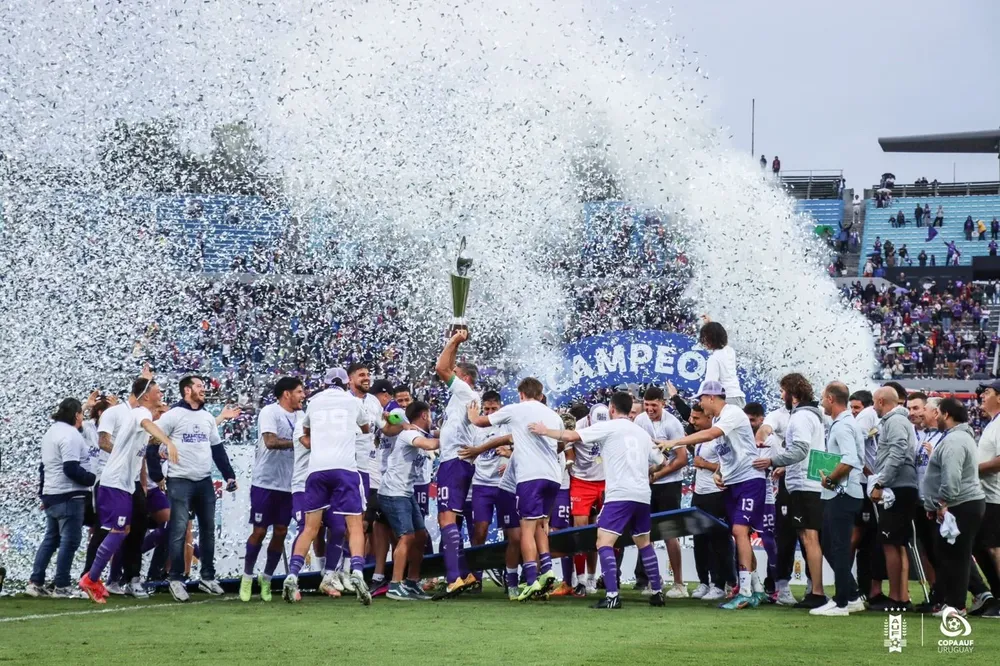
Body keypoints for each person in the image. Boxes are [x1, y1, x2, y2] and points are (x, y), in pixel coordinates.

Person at [530, 391, 667, 609]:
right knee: (644, 542)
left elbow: (572, 437)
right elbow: (663, 461)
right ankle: (658, 593)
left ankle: (612, 596)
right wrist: (649, 471)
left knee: (603, 542)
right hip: (642, 495)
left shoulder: (610, 426)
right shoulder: (641, 433)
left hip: (620, 495)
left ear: (612, 409)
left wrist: (545, 431)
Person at [656, 380, 767, 610]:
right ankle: (756, 588)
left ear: (711, 398)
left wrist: (675, 441)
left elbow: (711, 435)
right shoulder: (719, 418)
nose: (699, 404)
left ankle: (744, 591)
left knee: (738, 531)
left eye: (701, 399)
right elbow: (728, 453)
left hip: (749, 480)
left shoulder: (732, 413)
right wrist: (718, 471)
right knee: (739, 534)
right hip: (733, 483)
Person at [467, 377, 563, 601]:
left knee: (525, 531)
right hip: (553, 477)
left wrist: (473, 416)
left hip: (530, 477)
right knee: (540, 526)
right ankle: (546, 569)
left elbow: (482, 422)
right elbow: (561, 445)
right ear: (540, 395)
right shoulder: (554, 416)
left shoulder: (517, 410)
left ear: (521, 394)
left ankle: (530, 581)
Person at [80, 378, 175, 603]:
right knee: (115, 530)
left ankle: (98, 579)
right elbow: (147, 425)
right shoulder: (139, 412)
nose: (161, 395)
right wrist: (167, 442)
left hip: (126, 484)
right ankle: (91, 579)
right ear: (145, 396)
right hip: (114, 482)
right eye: (157, 392)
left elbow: (146, 437)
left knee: (123, 530)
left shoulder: (142, 413)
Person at [283, 367, 372, 605]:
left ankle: (292, 574)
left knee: (310, 529)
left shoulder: (314, 402)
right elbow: (366, 428)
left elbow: (307, 432)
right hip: (345, 469)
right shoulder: (352, 401)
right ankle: (357, 572)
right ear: (345, 384)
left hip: (316, 471)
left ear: (324, 384)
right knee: (354, 526)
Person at [158, 375, 236, 602]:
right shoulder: (173, 414)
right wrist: (159, 464)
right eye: (199, 386)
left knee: (209, 530)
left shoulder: (206, 417)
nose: (204, 389)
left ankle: (207, 577)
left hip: (204, 481)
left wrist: (229, 475)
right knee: (179, 530)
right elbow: (154, 437)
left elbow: (217, 449)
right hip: (179, 480)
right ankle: (175, 579)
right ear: (187, 390)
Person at [752, 373, 827, 609]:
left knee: (809, 538)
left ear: (793, 394)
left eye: (783, 391)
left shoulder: (801, 417)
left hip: (804, 484)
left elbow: (801, 450)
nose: (781, 395)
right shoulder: (814, 415)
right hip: (810, 482)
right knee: (808, 537)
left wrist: (773, 460)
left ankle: (817, 591)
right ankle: (815, 589)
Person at [239, 377, 305, 602]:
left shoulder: (302, 416)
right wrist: (301, 442)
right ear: (286, 394)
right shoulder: (270, 412)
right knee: (259, 531)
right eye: (299, 392)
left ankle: (266, 578)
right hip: (265, 483)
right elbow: (270, 441)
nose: (303, 395)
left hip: (289, 485)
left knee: (281, 532)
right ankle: (247, 577)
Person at [922, 398, 986, 618]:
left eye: (938, 412)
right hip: (961, 504)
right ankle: (951, 602)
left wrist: (942, 503)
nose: (935, 417)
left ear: (947, 415)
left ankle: (957, 606)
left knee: (957, 557)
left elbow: (951, 477)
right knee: (950, 555)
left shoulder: (955, 441)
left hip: (960, 505)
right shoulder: (957, 437)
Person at [27, 399, 96, 598]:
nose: (83, 418)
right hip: (69, 493)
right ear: (76, 415)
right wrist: (91, 478)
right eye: (81, 414)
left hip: (52, 492)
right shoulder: (70, 434)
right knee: (70, 541)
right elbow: (70, 468)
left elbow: (44, 467)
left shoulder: (52, 432)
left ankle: (35, 581)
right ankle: (62, 585)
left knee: (51, 539)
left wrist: (43, 493)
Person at [810, 382, 866, 616]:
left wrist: (830, 480)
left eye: (823, 397)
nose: (821, 401)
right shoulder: (844, 423)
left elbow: (850, 459)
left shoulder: (843, 426)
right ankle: (851, 595)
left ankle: (842, 602)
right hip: (843, 493)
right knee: (831, 546)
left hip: (841, 494)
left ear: (831, 399)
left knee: (839, 547)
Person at [433, 330, 480, 595]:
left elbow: (442, 367)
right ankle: (465, 573)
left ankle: (453, 579)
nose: (451, 371)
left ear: (464, 377)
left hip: (454, 463)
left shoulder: (464, 391)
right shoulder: (464, 396)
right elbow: (447, 365)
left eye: (456, 370)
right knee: (450, 518)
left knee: (446, 518)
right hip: (459, 463)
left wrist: (455, 341)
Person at [379, 400, 438, 601]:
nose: (431, 419)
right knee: (407, 537)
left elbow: (432, 437)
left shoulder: (416, 432)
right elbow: (430, 444)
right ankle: (395, 585)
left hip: (405, 492)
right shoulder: (409, 434)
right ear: (424, 415)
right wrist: (452, 435)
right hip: (393, 492)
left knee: (420, 536)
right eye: (429, 415)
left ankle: (412, 582)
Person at [633, 386, 688, 598]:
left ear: (663, 403)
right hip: (647, 483)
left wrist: (657, 475)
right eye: (646, 405)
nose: (649, 409)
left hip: (669, 484)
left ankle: (679, 583)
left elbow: (682, 459)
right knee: (647, 533)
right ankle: (653, 581)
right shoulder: (639, 422)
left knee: (670, 534)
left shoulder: (673, 424)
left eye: (654, 405)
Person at [871, 386, 919, 611]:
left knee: (891, 543)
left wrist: (881, 481)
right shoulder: (899, 421)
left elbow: (899, 450)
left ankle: (896, 598)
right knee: (898, 544)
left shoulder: (895, 421)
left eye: (874, 402)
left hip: (897, 486)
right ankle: (900, 597)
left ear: (881, 401)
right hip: (902, 485)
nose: (873, 407)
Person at [362, 377, 406, 597]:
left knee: (394, 530)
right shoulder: (379, 409)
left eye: (375, 395)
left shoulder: (392, 410)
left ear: (385, 395)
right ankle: (380, 575)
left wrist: (391, 417)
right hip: (383, 478)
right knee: (380, 527)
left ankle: (398, 575)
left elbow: (398, 424)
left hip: (397, 481)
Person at [688, 403, 732, 601]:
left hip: (716, 494)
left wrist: (705, 464)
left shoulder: (718, 438)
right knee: (699, 540)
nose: (692, 422)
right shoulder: (699, 440)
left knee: (718, 541)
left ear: (708, 419)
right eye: (691, 418)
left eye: (696, 418)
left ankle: (719, 584)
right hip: (699, 494)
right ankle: (703, 582)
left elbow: (729, 466)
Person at [567, 403, 608, 596]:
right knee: (580, 531)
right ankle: (581, 580)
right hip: (581, 481)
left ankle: (594, 578)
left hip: (605, 480)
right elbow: (567, 445)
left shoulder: (612, 424)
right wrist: (570, 460)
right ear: (589, 418)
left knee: (605, 530)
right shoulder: (579, 427)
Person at [469, 390, 507, 589]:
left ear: (500, 407)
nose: (490, 412)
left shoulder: (507, 425)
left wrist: (509, 454)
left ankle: (511, 574)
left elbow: (522, 446)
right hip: (482, 485)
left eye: (494, 409)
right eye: (487, 409)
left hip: (504, 485)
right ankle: (476, 576)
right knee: (480, 530)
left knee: (510, 532)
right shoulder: (476, 429)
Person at [974, 382, 1000, 616]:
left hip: (996, 496)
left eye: (988, 392)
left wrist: (972, 469)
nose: (982, 396)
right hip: (987, 495)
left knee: (994, 548)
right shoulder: (992, 423)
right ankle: (996, 594)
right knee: (981, 546)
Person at [700, 317, 745, 407]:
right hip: (739, 397)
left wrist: (701, 401)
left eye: (705, 338)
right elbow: (718, 336)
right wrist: (710, 324)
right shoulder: (730, 351)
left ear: (709, 340)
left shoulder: (713, 359)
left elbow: (711, 384)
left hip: (727, 400)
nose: (704, 341)